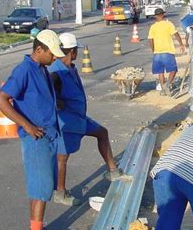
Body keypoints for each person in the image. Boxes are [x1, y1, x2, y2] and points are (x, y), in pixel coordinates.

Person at [0, 30, 65, 230]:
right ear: (39, 50)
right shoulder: (24, 70)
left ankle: (37, 229)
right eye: (51, 54)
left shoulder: (42, 69)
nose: (55, 58)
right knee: (41, 189)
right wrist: (28, 126)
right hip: (35, 138)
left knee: (41, 188)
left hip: (47, 135)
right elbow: (1, 100)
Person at [48, 33, 131, 206]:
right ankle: (60, 192)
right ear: (71, 51)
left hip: (78, 117)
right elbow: (49, 96)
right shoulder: (56, 72)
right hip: (66, 122)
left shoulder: (70, 67)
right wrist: (57, 103)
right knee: (62, 157)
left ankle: (112, 171)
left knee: (102, 132)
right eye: (75, 50)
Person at [148, 8, 185, 96]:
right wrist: (181, 44)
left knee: (160, 72)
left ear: (156, 16)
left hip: (157, 52)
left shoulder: (153, 27)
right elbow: (176, 34)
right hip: (167, 51)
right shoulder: (168, 24)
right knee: (173, 70)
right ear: (163, 15)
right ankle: (167, 84)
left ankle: (163, 90)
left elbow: (150, 40)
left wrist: (153, 50)